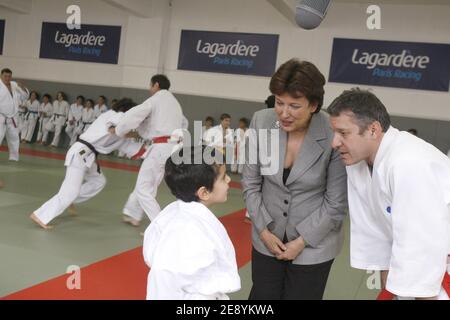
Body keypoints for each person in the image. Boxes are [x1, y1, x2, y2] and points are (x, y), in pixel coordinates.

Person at [328, 88, 450, 300]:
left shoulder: (408, 162)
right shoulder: (359, 161)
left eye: (344, 133)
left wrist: (422, 294)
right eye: (334, 133)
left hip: (436, 261)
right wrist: (384, 267)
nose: (335, 142)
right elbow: (372, 224)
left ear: (373, 130)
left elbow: (422, 240)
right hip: (414, 261)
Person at [242, 58, 348, 300]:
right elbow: (250, 183)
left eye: (294, 106)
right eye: (280, 103)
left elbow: (336, 203)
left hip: (314, 243)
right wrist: (264, 231)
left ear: (313, 105)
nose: (284, 113)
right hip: (267, 237)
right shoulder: (262, 121)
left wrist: (301, 242)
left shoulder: (332, 133)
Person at [143, 146, 241, 300]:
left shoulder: (182, 215)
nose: (229, 180)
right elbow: (163, 277)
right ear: (204, 192)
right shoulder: (185, 230)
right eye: (223, 178)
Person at [30, 98, 141, 230]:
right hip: (81, 153)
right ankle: (40, 215)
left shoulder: (115, 119)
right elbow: (113, 129)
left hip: (88, 155)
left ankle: (70, 201)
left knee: (98, 181)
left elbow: (132, 147)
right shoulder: (117, 115)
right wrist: (137, 133)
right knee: (70, 191)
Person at [110, 74, 186, 226]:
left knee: (143, 188)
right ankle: (134, 215)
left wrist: (119, 129)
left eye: (150, 85)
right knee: (149, 187)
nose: (149, 89)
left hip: (161, 147)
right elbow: (184, 123)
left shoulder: (156, 99)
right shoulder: (174, 103)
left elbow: (135, 114)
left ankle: (160, 225)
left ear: (156, 85)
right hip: (174, 147)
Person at [0, 68, 29, 161]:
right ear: (1, 75)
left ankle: (14, 157)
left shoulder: (14, 85)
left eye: (9, 76)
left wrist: (23, 87)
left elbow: (25, 96)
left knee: (14, 138)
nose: (7, 78)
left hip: (12, 117)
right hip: (1, 116)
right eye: (5, 76)